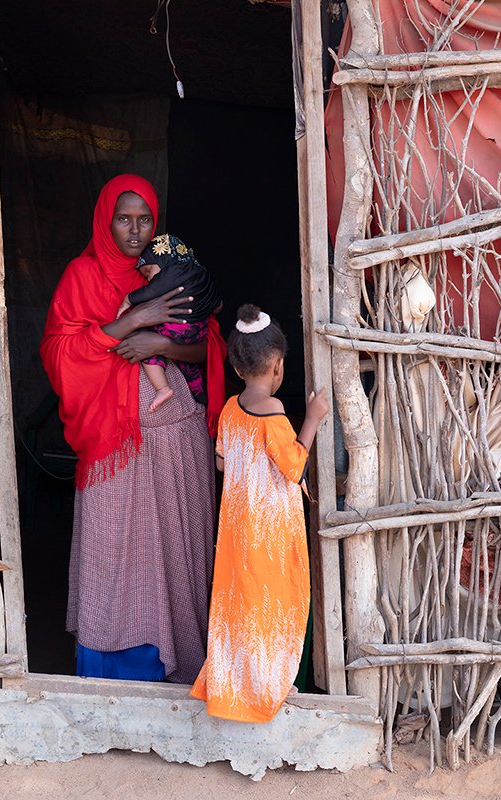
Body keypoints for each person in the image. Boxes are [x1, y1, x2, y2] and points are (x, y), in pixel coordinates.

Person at [41, 174, 226, 683]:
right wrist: (133, 320)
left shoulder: (170, 269)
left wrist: (160, 346)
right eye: (124, 219)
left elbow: (208, 347)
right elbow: (59, 355)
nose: (135, 230)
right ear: (106, 219)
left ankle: (180, 668)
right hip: (112, 443)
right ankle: (115, 674)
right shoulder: (82, 276)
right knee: (117, 553)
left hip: (175, 437)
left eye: (144, 219)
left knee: (172, 551)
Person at [190, 304, 329, 722]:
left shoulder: (231, 410)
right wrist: (315, 419)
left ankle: (233, 684)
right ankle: (267, 684)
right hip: (270, 531)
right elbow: (295, 465)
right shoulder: (273, 415)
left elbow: (220, 462)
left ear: (235, 365)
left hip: (236, 531)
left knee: (240, 604)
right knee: (275, 602)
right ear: (279, 366)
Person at [119, 233, 221, 412]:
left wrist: (128, 300)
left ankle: (162, 388)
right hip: (198, 330)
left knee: (144, 341)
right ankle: (200, 393)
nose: (149, 279)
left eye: (149, 272)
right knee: (189, 365)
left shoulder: (174, 271)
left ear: (163, 259)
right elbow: (217, 306)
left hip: (175, 328)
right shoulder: (202, 273)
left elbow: (152, 291)